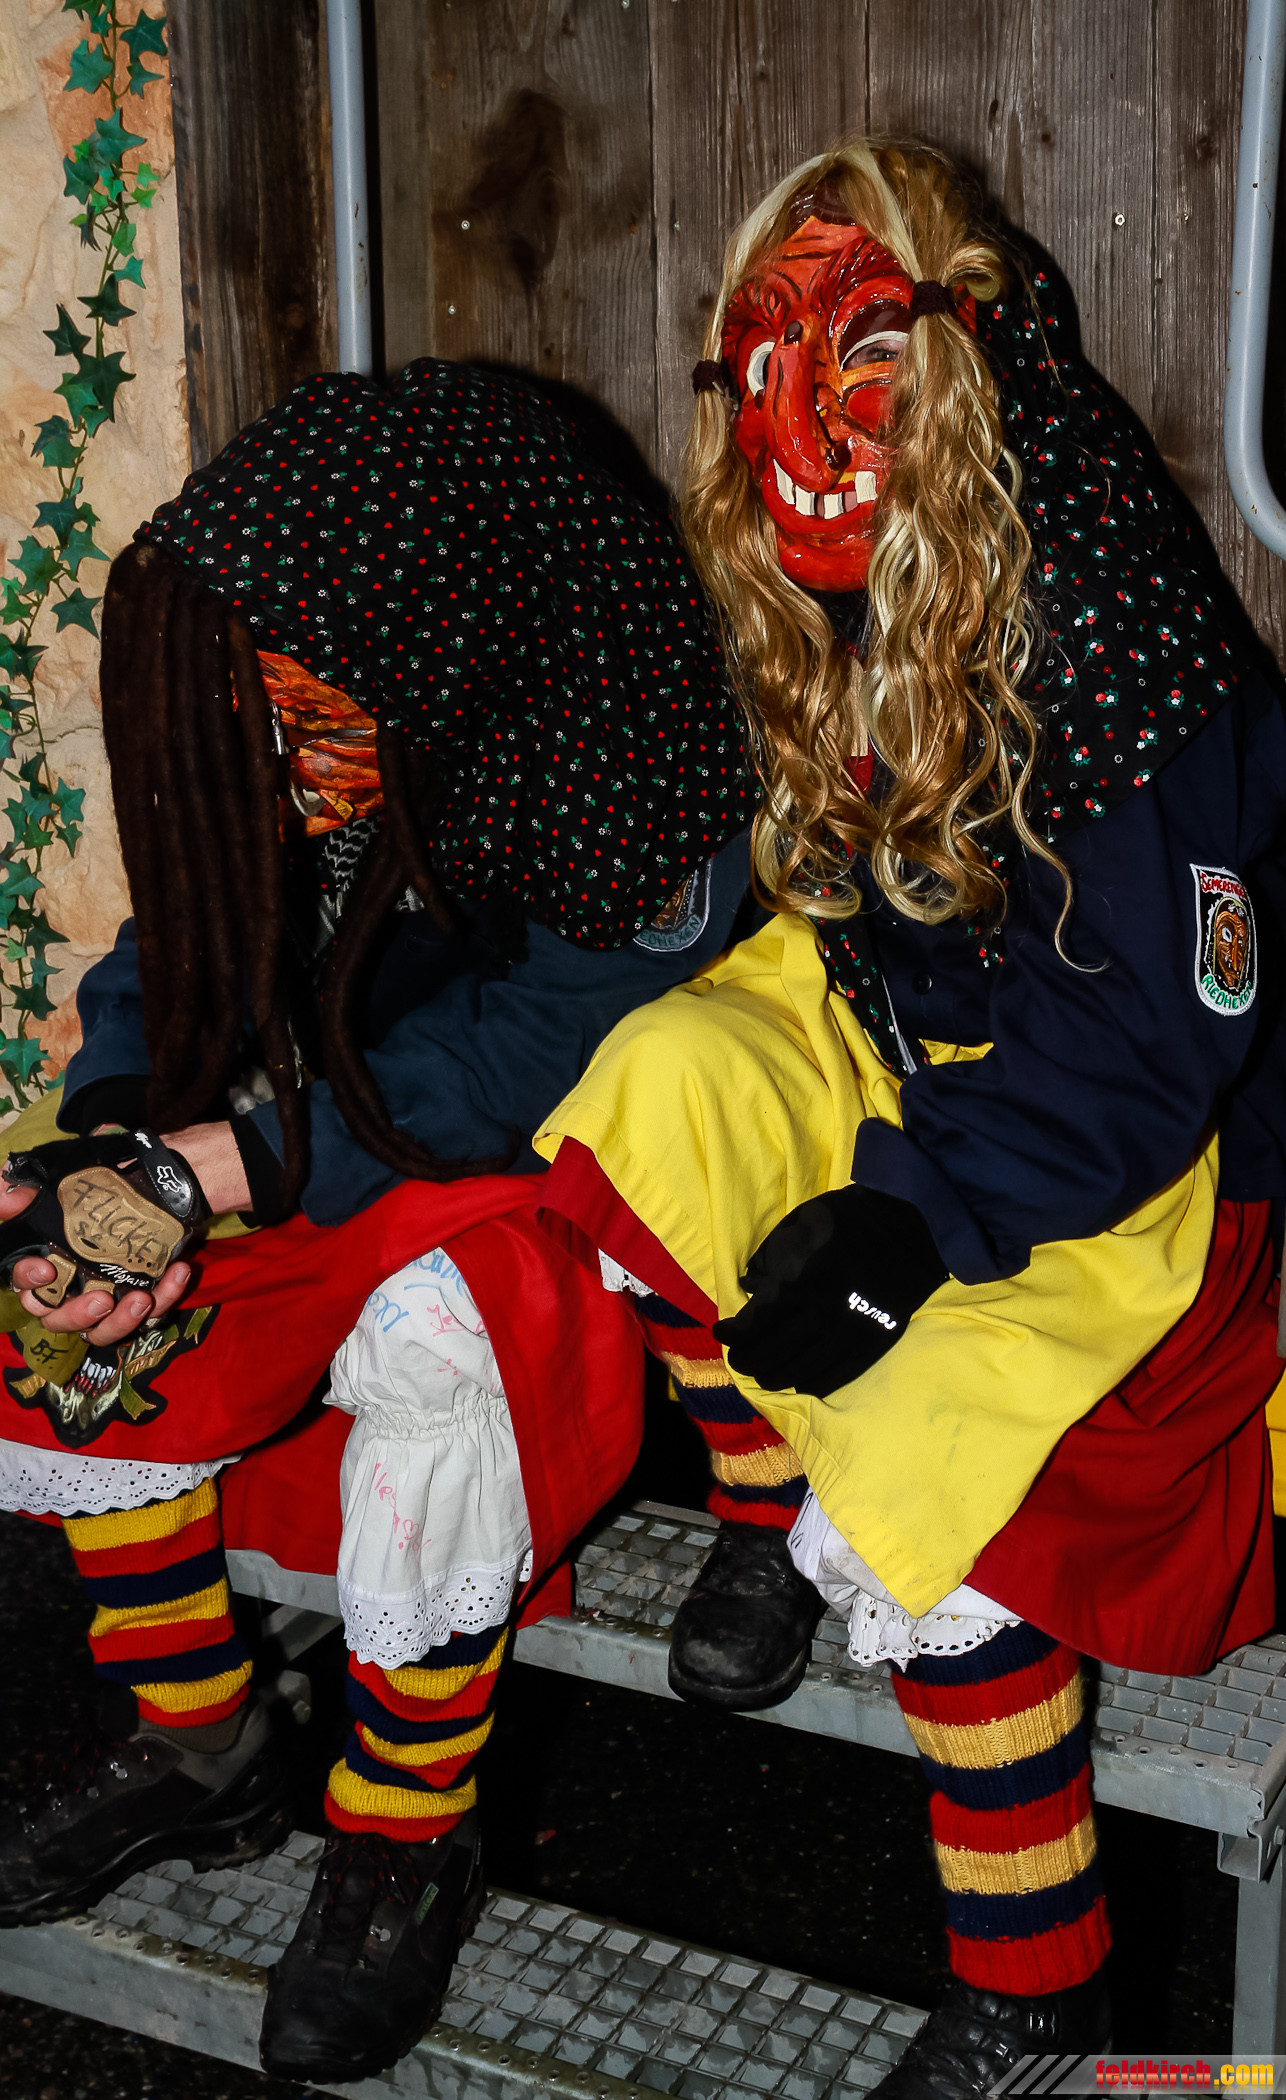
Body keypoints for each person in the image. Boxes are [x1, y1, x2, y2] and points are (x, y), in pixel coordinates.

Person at [534, 141, 1286, 2095]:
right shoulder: (808, 594)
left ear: (962, 356)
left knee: (932, 1440)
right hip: (895, 1033)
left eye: (862, 348)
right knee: (653, 1088)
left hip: (1104, 1143)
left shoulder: (1102, 608)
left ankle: (1036, 1986)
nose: (799, 413)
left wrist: (919, 1215)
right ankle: (757, 1511)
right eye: (761, 356)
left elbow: (1159, 1037)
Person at [0, 360, 757, 2083]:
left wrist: (234, 1168)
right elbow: (184, 932)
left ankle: (408, 1830)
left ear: (445, 643)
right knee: (58, 1267)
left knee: (440, 1349)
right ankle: (201, 1742)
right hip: (320, 1118)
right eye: (255, 718)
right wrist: (119, 1140)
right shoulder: (302, 715)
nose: (278, 761)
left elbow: (529, 1057)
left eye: (310, 715)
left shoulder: (632, 738)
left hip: (540, 1157)